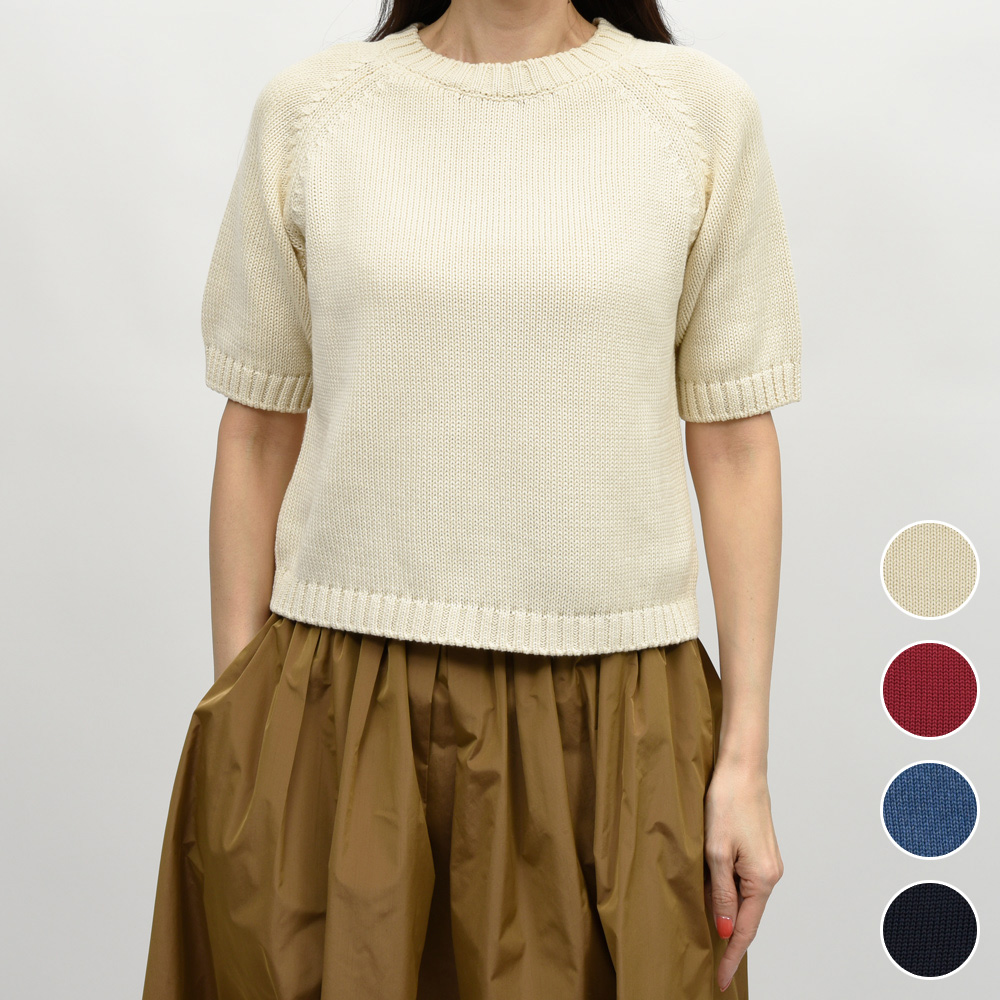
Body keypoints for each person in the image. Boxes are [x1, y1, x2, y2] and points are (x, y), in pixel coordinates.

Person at [141, 2, 800, 997]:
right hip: (341, 715)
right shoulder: (313, 113)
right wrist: (241, 719)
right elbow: (258, 429)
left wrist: (743, 761)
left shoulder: (697, 114)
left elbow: (737, 443)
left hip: (616, 722)